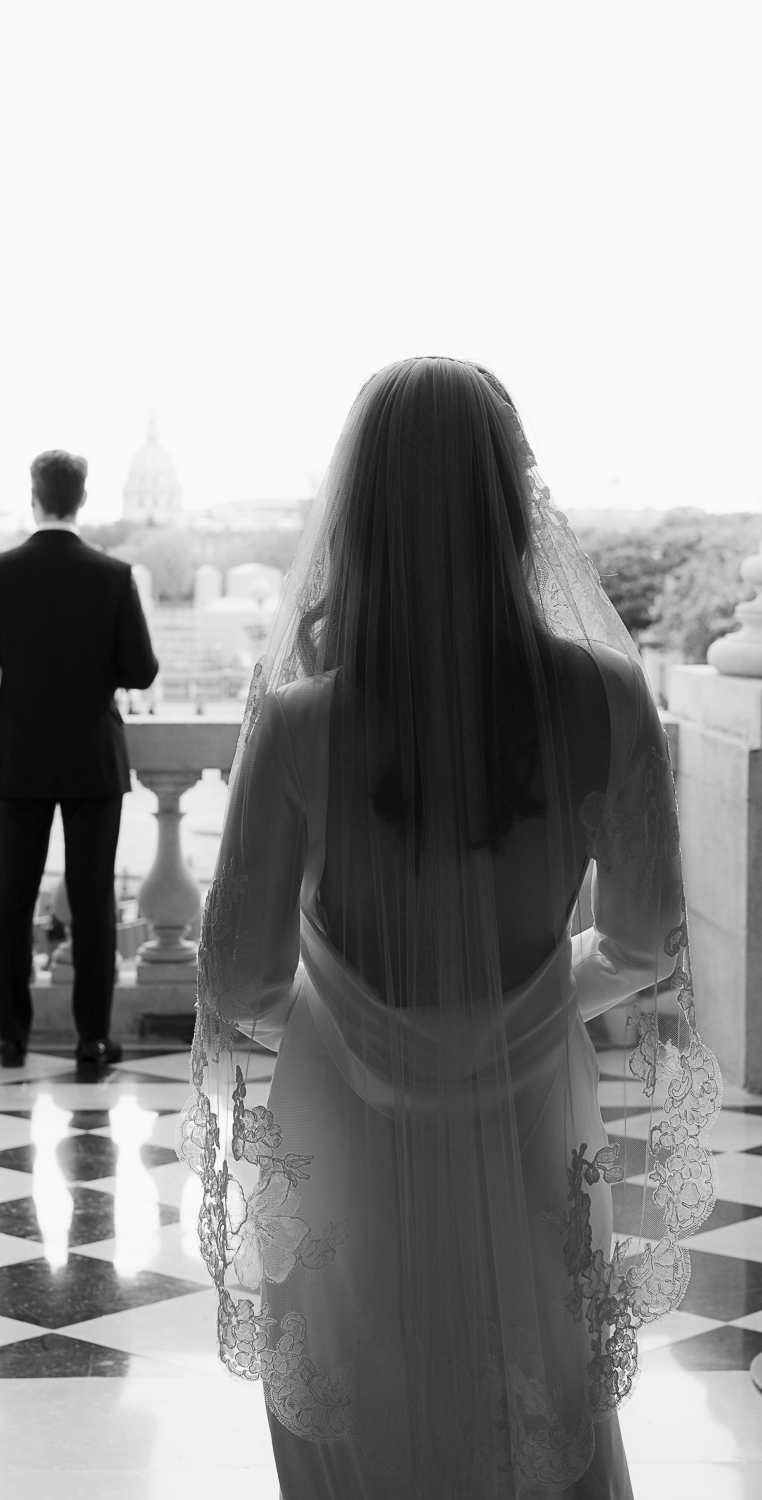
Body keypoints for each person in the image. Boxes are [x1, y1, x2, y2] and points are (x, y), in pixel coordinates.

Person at [176, 359, 721, 1498]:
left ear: (356, 514)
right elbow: (643, 939)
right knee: (533, 1399)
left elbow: (235, 980)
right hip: (529, 1109)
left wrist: (350, 1011)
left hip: (341, 1124)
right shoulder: (607, 699)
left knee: (349, 1405)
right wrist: (524, 1003)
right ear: (514, 498)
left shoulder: (298, 722)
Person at [0, 449, 158, 1071]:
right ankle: (91, 1040)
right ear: (81, 498)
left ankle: (12, 1040)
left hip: (17, 762)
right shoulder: (113, 574)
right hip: (91, 761)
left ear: (34, 495)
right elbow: (144, 671)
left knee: (12, 907)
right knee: (94, 902)